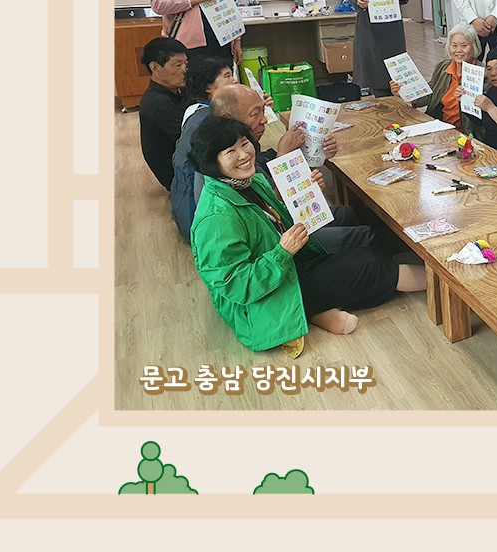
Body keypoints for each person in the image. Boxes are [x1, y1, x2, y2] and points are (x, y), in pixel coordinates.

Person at [188, 115, 427, 358]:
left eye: (244, 143)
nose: (243, 154)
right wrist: (282, 252)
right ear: (211, 162)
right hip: (261, 301)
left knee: (360, 248)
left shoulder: (248, 182)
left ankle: (317, 310)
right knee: (369, 264)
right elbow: (236, 286)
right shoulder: (216, 218)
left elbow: (273, 220)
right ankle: (439, 284)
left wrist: (305, 194)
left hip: (285, 270)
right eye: (230, 151)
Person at [168, 53, 238, 241]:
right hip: (203, 221)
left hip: (183, 207)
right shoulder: (213, 120)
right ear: (208, 87)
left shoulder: (194, 109)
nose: (234, 80)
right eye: (227, 76)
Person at [390, 24, 484, 138]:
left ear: (474, 47)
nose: (458, 50)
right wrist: (404, 92)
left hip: (467, 134)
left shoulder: (482, 73)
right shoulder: (442, 67)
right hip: (439, 127)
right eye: (454, 46)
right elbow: (429, 94)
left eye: (464, 46)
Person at [138, 37, 188, 191]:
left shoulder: (172, 91)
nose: (185, 70)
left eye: (186, 64)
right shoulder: (157, 103)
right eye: (178, 65)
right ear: (155, 68)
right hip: (180, 178)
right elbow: (195, 139)